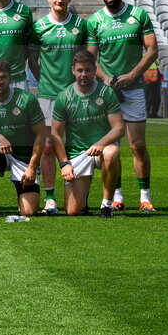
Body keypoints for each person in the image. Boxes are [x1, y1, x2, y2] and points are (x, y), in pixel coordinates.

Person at [87, 0, 158, 213]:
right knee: (111, 148)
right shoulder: (95, 20)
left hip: (134, 89)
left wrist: (133, 75)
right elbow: (90, 59)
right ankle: (116, 196)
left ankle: (145, 198)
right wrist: (107, 80)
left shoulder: (138, 15)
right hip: (107, 93)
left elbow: (151, 50)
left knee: (137, 145)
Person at [29, 0, 87, 215]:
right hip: (47, 94)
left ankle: (77, 193)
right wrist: (44, 80)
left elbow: (86, 58)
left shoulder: (80, 26)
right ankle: (50, 198)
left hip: (75, 95)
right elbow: (32, 60)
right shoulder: (39, 26)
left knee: (76, 146)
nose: (59, 0)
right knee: (47, 146)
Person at [50, 51, 125, 217]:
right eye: (80, 70)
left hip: (101, 150)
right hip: (77, 153)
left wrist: (101, 143)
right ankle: (83, 191)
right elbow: (55, 134)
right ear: (73, 70)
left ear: (94, 69)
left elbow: (119, 128)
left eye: (88, 70)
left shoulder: (107, 93)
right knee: (72, 211)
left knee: (112, 152)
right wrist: (64, 164)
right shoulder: (64, 97)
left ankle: (106, 204)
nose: (83, 74)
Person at [0, 59, 45, 218]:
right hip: (0, 154)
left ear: (10, 78)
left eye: (3, 77)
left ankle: (24, 194)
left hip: (24, 158)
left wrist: (32, 167)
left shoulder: (27, 100)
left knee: (29, 212)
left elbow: (41, 134)